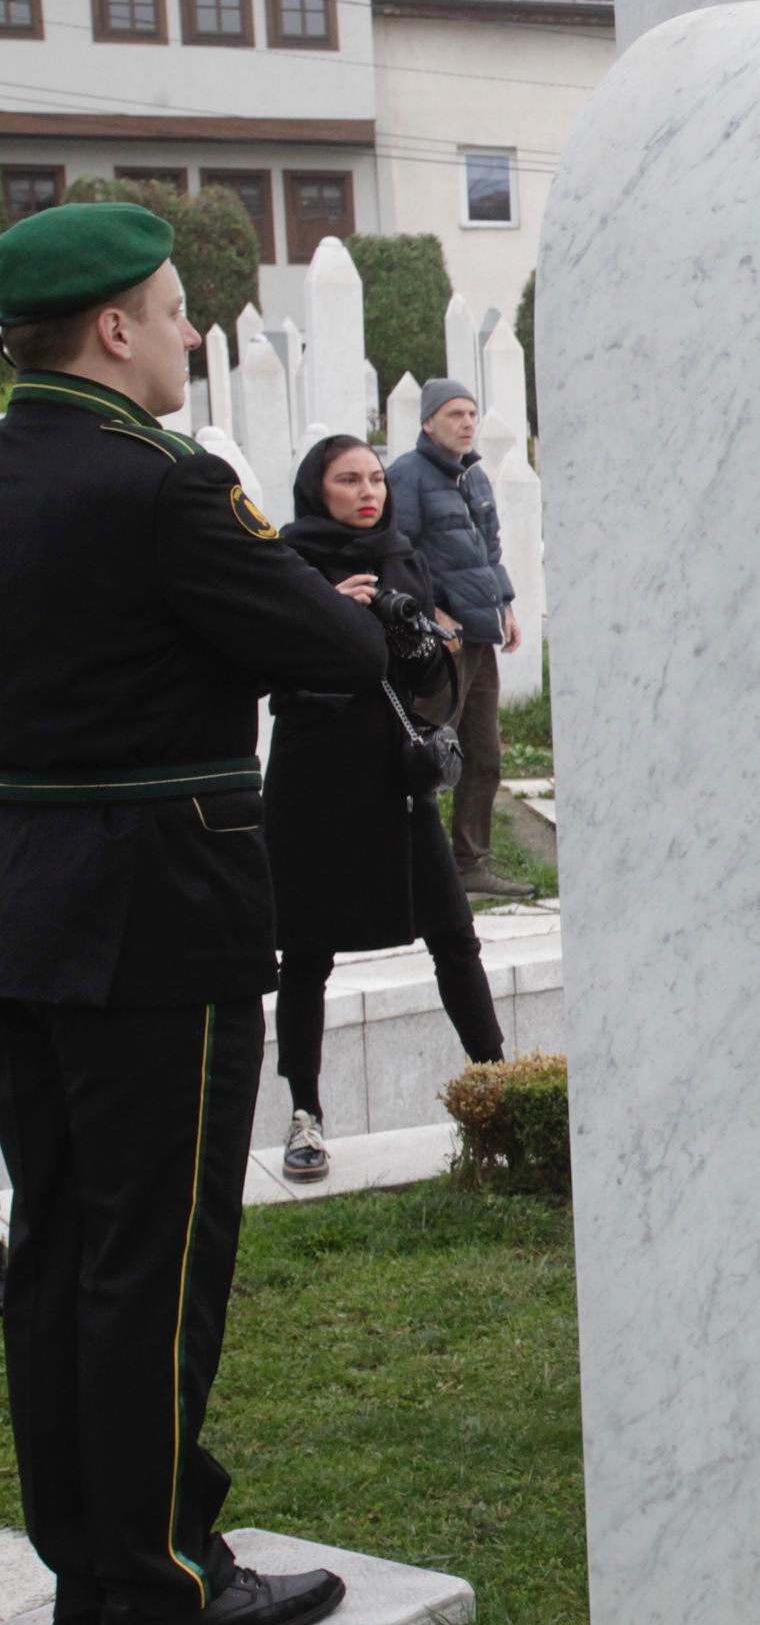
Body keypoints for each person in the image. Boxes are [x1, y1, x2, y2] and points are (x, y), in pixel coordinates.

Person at [0, 201, 385, 1625]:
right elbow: (337, 645)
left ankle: (91, 1569)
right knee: (155, 1260)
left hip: (22, 905)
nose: (184, 335)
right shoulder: (161, 483)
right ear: (112, 328)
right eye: (171, 312)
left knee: (54, 1250)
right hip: (160, 909)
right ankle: (160, 1578)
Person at [266, 436, 511, 1183]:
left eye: (376, 477)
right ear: (318, 488)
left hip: (392, 778)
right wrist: (324, 616)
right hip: (314, 777)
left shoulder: (403, 553)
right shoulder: (287, 561)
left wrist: (414, 631)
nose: (369, 491)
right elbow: (262, 666)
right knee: (307, 954)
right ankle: (304, 1115)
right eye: (349, 480)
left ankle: (499, 1089)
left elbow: (435, 681)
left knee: (453, 935)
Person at [385, 379, 530, 900]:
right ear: (428, 423)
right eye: (454, 415)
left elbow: (488, 551)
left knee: (484, 753)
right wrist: (431, 613)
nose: (467, 423)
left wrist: (505, 606)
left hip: (479, 633)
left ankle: (470, 864)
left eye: (471, 413)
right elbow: (396, 551)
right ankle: (402, 869)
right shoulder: (407, 475)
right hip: (439, 642)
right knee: (423, 752)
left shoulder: (475, 476)